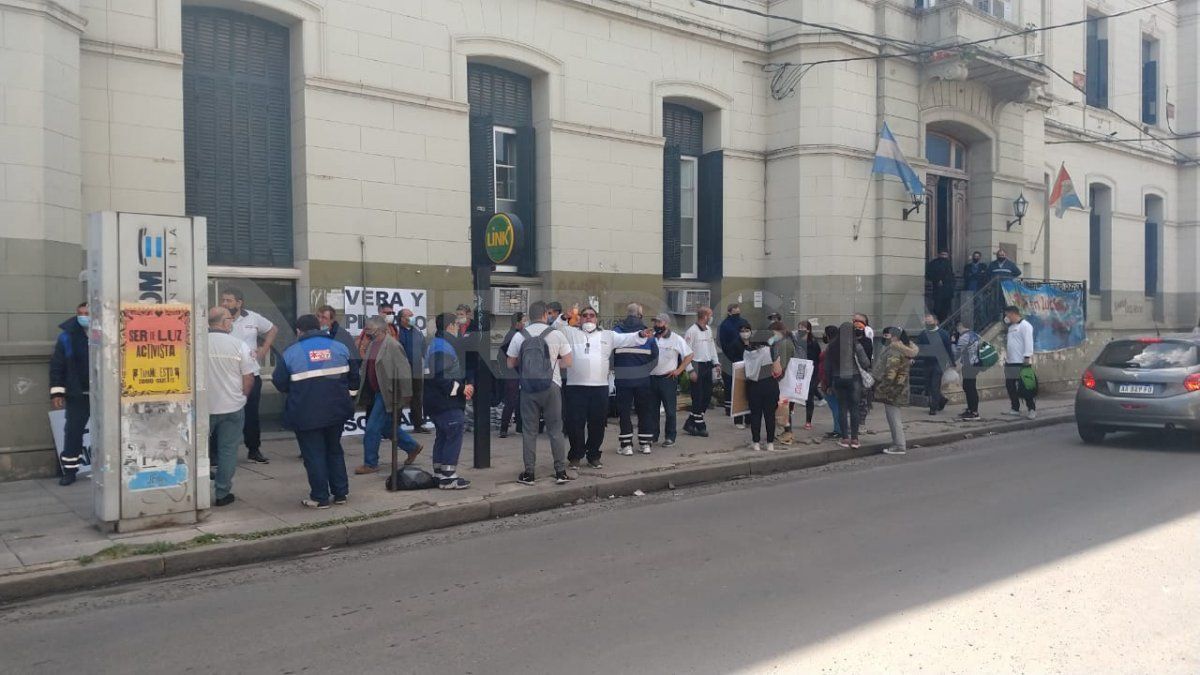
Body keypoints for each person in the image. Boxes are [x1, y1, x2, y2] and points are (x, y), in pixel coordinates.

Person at [272, 314, 358, 509]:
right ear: (319, 327)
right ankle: (341, 493)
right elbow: (354, 377)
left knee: (314, 454)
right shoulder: (339, 347)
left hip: (306, 413)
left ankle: (320, 497)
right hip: (336, 411)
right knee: (334, 450)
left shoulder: (291, 353)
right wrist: (348, 397)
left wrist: (297, 392)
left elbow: (280, 382)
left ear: (298, 331)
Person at [559, 307, 652, 468]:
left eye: (592, 315)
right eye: (585, 315)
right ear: (580, 318)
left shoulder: (608, 335)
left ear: (597, 319)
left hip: (599, 388)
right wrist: (563, 317)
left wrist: (641, 334)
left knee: (598, 424)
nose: (588, 318)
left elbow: (627, 338)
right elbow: (555, 329)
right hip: (575, 388)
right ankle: (575, 456)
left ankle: (593, 455)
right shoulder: (570, 333)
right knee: (575, 424)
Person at [506, 301, 574, 485]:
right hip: (552, 386)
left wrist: (528, 367)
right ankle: (560, 472)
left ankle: (529, 473)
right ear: (546, 315)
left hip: (528, 388)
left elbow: (509, 364)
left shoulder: (520, 336)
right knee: (555, 430)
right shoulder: (557, 334)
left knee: (529, 431)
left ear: (530, 316)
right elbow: (568, 361)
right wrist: (552, 365)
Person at [355, 316, 422, 475]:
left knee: (372, 428)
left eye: (370, 330)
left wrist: (406, 394)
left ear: (380, 330)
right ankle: (412, 446)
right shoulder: (372, 344)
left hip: (387, 393)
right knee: (385, 426)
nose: (367, 332)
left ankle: (370, 463)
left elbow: (404, 370)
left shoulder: (392, 345)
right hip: (376, 392)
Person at [206, 307, 257, 506]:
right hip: (232, 406)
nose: (232, 322)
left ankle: (198, 492)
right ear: (224, 322)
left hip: (204, 408)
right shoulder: (239, 345)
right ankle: (222, 493)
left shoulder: (197, 344)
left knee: (199, 452)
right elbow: (249, 377)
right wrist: (242, 397)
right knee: (228, 451)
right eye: (230, 319)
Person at [220, 287, 276, 465]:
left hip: (251, 373)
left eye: (228, 300)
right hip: (227, 375)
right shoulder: (218, 318)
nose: (225, 304)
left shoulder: (252, 317)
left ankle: (253, 449)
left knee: (251, 414)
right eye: (223, 300)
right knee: (223, 414)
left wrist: (264, 349)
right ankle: (217, 453)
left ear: (239, 303)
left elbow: (273, 329)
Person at [423, 313, 473, 489]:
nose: (459, 328)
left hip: (435, 400)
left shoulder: (436, 344)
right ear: (451, 326)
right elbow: (440, 376)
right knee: (453, 433)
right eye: (457, 325)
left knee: (443, 436)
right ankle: (449, 476)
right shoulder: (443, 347)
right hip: (445, 401)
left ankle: (439, 473)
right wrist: (461, 388)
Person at [49, 302, 90, 486]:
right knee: (73, 432)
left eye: (87, 313)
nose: (83, 316)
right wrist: (57, 393)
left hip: (104, 394)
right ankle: (70, 471)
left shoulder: (109, 330)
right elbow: (57, 366)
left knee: (111, 432)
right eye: (80, 313)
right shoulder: (67, 337)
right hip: (78, 393)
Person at [611, 303, 660, 454]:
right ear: (640, 315)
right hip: (642, 378)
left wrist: (616, 370)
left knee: (624, 412)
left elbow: (610, 355)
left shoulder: (616, 331)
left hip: (622, 378)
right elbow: (655, 357)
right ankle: (645, 443)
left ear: (627, 314)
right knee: (644, 410)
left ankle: (626, 445)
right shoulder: (647, 333)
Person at [648, 313, 693, 448]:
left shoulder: (676, 339)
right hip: (651, 378)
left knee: (670, 410)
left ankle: (670, 437)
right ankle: (653, 436)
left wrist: (679, 370)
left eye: (659, 322)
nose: (656, 325)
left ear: (666, 324)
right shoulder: (651, 338)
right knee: (652, 410)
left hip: (668, 379)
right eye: (655, 322)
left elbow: (689, 355)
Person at [873, 327, 920, 455]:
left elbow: (890, 372)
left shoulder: (894, 349)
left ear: (895, 337)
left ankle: (899, 445)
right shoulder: (906, 349)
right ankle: (898, 444)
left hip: (893, 388)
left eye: (887, 335)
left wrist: (882, 387)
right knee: (894, 416)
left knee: (893, 418)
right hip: (901, 386)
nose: (885, 337)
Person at [827, 321, 871, 449]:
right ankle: (855, 439)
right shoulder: (855, 344)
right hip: (854, 378)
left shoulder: (832, 346)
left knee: (842, 408)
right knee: (854, 408)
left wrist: (829, 383)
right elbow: (865, 362)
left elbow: (828, 367)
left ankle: (845, 438)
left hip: (838, 378)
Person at [743, 326, 782, 451]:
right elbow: (777, 370)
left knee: (755, 415)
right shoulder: (770, 351)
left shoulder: (747, 352)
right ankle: (770, 443)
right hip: (769, 384)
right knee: (769, 415)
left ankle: (756, 443)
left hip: (753, 386)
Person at [683, 306, 718, 437]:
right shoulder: (691, 332)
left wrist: (716, 362)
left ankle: (690, 422)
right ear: (705, 316)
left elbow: (711, 347)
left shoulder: (708, 330)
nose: (711, 318)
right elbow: (685, 353)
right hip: (696, 365)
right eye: (710, 315)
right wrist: (690, 370)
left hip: (707, 365)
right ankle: (699, 425)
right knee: (697, 397)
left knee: (707, 396)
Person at [915, 313, 956, 416]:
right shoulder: (923, 334)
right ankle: (941, 400)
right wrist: (912, 358)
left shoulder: (943, 334)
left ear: (936, 322)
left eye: (930, 321)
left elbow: (949, 349)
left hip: (939, 363)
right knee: (928, 386)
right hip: (927, 362)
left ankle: (933, 408)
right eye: (926, 321)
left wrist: (952, 362)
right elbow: (917, 347)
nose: (928, 323)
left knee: (934, 385)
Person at [718, 303, 750, 425]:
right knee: (730, 383)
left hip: (743, 358)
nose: (737, 313)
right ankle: (730, 407)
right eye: (735, 311)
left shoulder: (743, 322)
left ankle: (741, 410)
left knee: (741, 385)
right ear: (729, 312)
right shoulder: (725, 325)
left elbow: (748, 335)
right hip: (729, 357)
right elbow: (721, 341)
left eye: (738, 311)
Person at [1002, 305, 1037, 419]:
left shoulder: (1025, 326)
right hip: (1010, 362)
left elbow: (1028, 342)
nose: (1006, 318)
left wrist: (1027, 357)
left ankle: (1031, 409)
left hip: (1021, 362)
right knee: (1010, 386)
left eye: (1007, 315)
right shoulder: (1011, 327)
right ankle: (1015, 408)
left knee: (1026, 386)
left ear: (1013, 314)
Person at [396, 308, 427, 433]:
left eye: (413, 315)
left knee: (417, 397)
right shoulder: (396, 331)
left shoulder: (417, 331)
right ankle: (396, 427)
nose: (412, 317)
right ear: (402, 318)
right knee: (400, 398)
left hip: (416, 369)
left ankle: (418, 424)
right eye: (409, 315)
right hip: (402, 371)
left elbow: (424, 348)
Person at [497, 312, 525, 438]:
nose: (526, 323)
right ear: (517, 323)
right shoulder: (513, 335)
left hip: (515, 372)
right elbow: (504, 355)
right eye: (524, 320)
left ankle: (519, 426)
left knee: (517, 400)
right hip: (513, 372)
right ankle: (504, 428)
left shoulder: (515, 334)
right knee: (511, 401)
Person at [769, 321, 797, 445]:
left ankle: (788, 433)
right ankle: (786, 431)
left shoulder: (784, 344)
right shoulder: (785, 341)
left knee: (784, 408)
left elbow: (783, 364)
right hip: (784, 379)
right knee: (784, 408)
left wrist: (776, 378)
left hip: (783, 380)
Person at [794, 320, 822, 431]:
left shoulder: (813, 343)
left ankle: (808, 421)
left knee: (809, 396)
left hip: (812, 371)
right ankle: (788, 418)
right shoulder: (797, 341)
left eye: (803, 327)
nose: (800, 329)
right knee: (794, 394)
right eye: (799, 327)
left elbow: (818, 358)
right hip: (800, 370)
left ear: (808, 330)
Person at [817, 325, 844, 440]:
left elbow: (831, 367)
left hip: (832, 382)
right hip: (831, 381)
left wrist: (829, 384)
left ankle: (839, 430)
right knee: (836, 407)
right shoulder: (838, 346)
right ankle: (838, 429)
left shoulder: (833, 347)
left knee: (836, 407)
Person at [954, 320, 983, 419]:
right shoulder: (975, 335)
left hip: (969, 365)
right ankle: (971, 409)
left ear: (961, 326)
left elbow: (957, 352)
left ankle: (974, 412)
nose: (957, 330)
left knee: (969, 387)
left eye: (958, 327)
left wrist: (953, 341)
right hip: (975, 363)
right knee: (969, 386)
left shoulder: (964, 337)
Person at [926, 250, 956, 323]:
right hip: (938, 290)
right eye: (942, 254)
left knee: (946, 309)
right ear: (939, 254)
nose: (944, 256)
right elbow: (928, 274)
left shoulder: (948, 263)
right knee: (937, 308)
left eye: (945, 255)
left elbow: (951, 275)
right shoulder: (934, 263)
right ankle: (938, 322)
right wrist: (937, 280)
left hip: (948, 290)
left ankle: (944, 322)